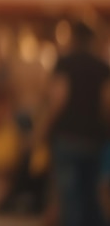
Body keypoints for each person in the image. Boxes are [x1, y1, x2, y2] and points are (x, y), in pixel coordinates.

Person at [35, 19, 110, 226]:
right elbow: (107, 104)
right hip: (94, 138)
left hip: (67, 137)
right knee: (90, 197)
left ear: (74, 38)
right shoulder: (102, 67)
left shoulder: (65, 62)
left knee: (69, 198)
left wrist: (43, 128)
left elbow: (59, 98)